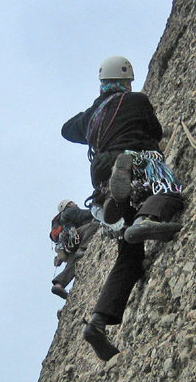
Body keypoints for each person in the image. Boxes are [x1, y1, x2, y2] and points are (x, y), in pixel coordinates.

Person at [61, 56, 184, 361]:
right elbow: (155, 133)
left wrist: (89, 116)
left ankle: (98, 323)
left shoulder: (92, 116)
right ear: (126, 80)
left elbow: (66, 130)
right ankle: (146, 216)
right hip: (136, 158)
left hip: (102, 172)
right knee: (167, 188)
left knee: (130, 255)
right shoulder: (137, 100)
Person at [50, 199, 100, 300]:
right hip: (74, 238)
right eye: (72, 202)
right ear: (68, 205)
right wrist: (97, 209)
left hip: (71, 243)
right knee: (94, 226)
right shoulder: (70, 211)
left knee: (73, 262)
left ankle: (59, 285)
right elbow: (84, 215)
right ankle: (82, 249)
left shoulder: (64, 219)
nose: (75, 204)